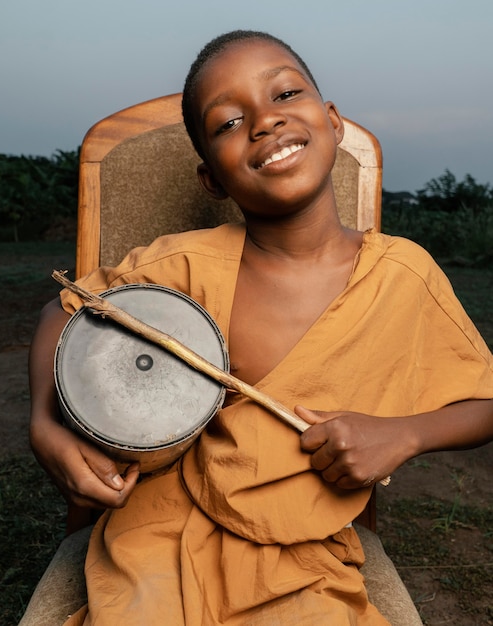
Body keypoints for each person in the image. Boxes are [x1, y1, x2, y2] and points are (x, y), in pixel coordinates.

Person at [29, 30, 493, 625]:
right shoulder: (183, 265)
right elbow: (62, 310)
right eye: (227, 123)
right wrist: (45, 424)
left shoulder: (402, 275)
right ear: (211, 180)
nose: (264, 122)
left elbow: (484, 404)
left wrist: (403, 434)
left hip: (304, 562)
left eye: (286, 93)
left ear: (331, 121)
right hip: (155, 541)